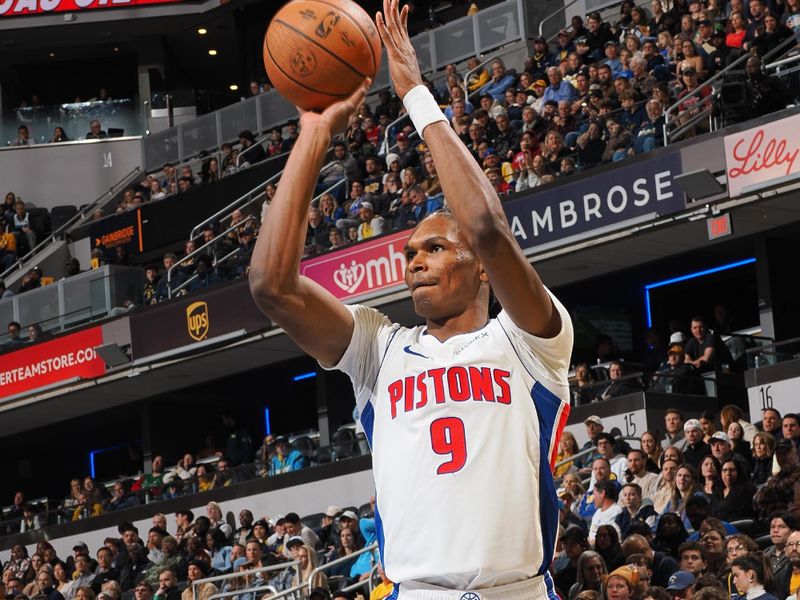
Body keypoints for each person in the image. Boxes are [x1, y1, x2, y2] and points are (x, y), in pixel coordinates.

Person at [248, 1, 574, 596]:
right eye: (407, 255)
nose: (414, 261)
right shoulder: (380, 348)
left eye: (433, 248)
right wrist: (315, 132)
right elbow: (272, 286)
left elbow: (487, 228)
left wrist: (416, 97)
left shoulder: (528, 342)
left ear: (480, 270)